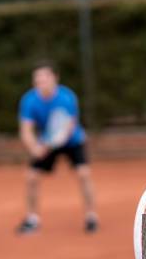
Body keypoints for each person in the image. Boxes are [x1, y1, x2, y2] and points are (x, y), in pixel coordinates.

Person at [16, 60, 98, 234]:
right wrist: (34, 148)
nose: (41, 83)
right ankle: (32, 219)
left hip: (72, 141)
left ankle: (91, 216)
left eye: (45, 78)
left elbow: (67, 128)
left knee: (84, 173)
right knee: (31, 177)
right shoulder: (29, 100)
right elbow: (26, 130)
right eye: (37, 80)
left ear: (55, 78)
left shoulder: (67, 97)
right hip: (47, 141)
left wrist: (50, 144)